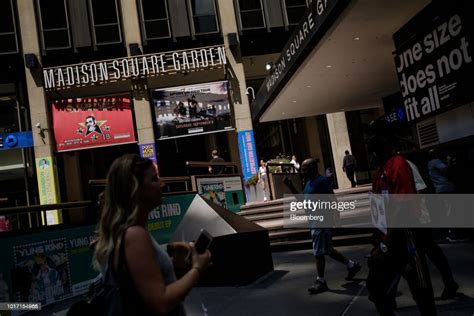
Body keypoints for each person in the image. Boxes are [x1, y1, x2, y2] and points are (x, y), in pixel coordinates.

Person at [94, 154, 211, 315]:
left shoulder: (131, 232)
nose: (162, 184)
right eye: (154, 179)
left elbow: (147, 289)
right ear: (136, 188)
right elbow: (161, 302)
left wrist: (175, 264)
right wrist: (197, 267)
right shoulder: (135, 235)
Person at [366, 120, 436, 315]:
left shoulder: (398, 165)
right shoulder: (380, 171)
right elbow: (378, 208)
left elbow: (405, 207)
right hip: (388, 240)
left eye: (373, 137)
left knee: (421, 290)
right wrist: (376, 240)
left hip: (405, 239)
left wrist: (386, 244)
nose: (369, 142)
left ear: (385, 139)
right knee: (377, 291)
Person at [285, 158, 361, 294]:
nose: (302, 172)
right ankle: (351, 265)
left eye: (305, 169)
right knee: (328, 250)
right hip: (314, 220)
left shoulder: (322, 182)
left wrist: (336, 219)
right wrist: (291, 186)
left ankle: (320, 280)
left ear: (313, 169)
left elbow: (332, 200)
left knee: (318, 253)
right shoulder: (309, 183)